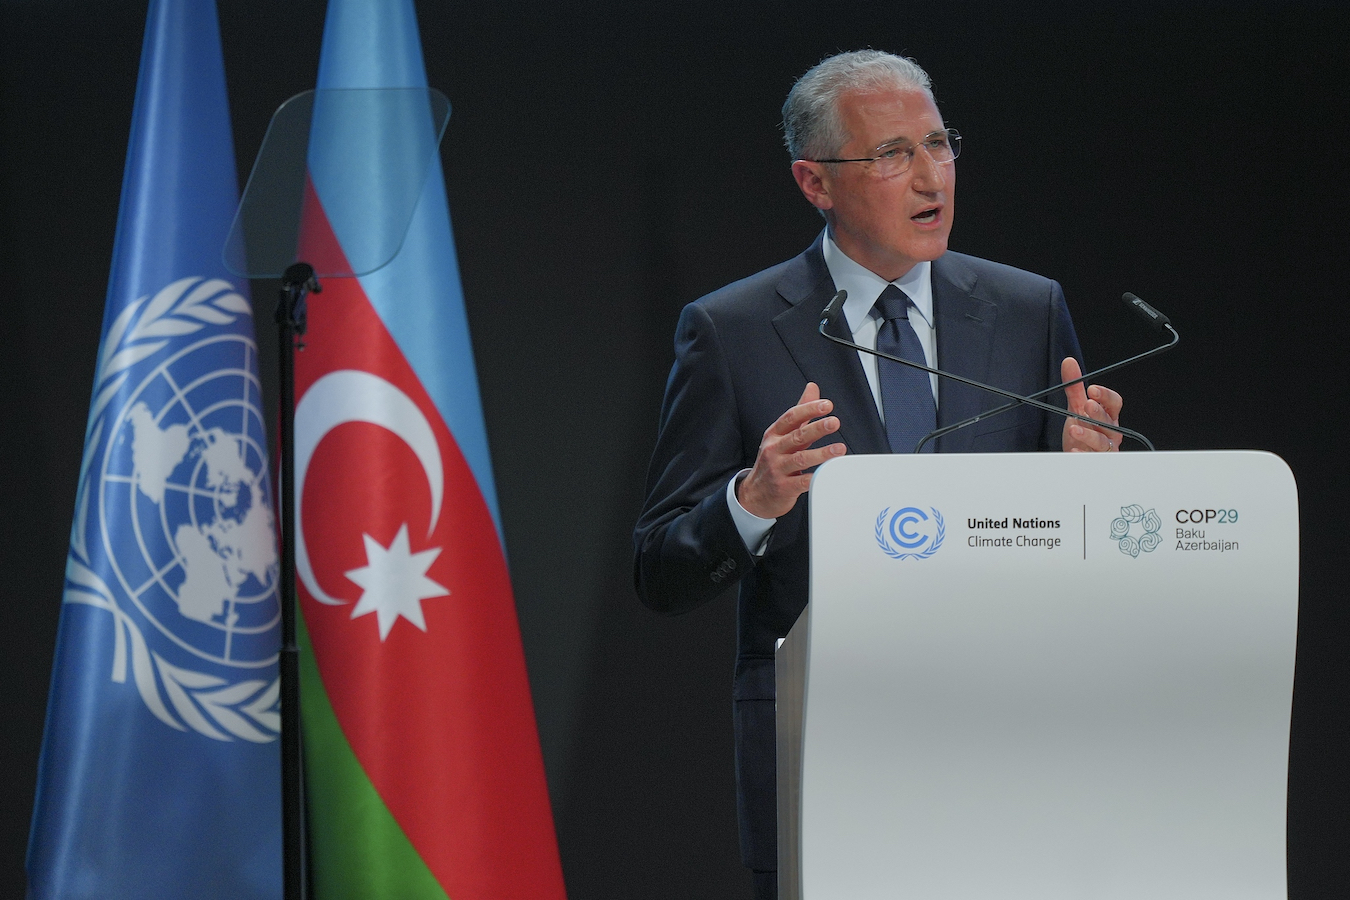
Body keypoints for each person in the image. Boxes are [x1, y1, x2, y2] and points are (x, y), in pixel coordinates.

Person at [632, 50, 1122, 899]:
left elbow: (1072, 551)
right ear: (815, 182)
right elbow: (661, 570)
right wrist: (753, 502)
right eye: (894, 154)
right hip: (825, 748)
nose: (932, 176)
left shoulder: (1027, 308)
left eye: (940, 145)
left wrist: (1090, 488)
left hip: (1005, 743)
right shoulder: (733, 329)